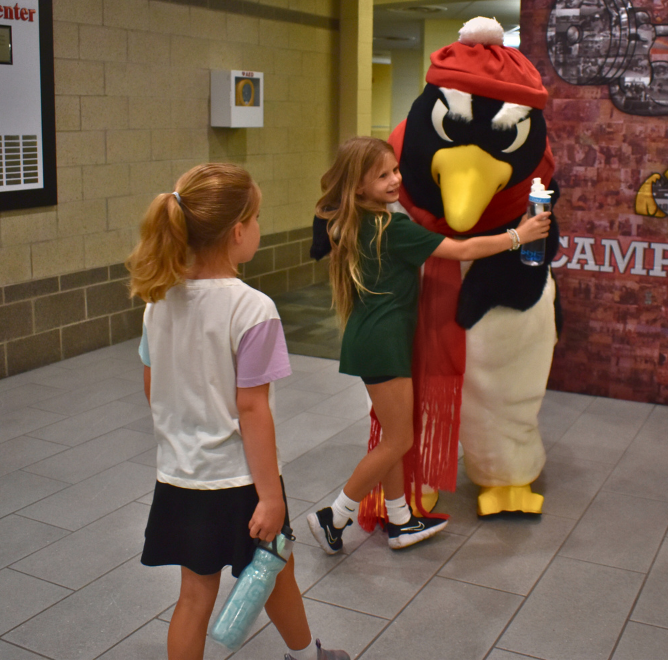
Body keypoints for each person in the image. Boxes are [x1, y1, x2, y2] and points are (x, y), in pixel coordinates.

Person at [127, 163, 348, 660]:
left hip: (181, 475)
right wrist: (270, 497)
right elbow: (252, 409)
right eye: (258, 217)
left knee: (193, 595)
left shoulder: (157, 301)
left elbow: (151, 385)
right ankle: (306, 655)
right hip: (240, 481)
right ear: (237, 232)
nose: (260, 229)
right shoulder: (252, 308)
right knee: (275, 571)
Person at [307, 137, 551, 554]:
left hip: (372, 338)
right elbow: (462, 249)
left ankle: (401, 519)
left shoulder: (351, 221)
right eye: (381, 175)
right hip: (384, 344)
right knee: (399, 439)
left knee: (393, 434)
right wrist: (518, 234)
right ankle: (336, 515)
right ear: (359, 186)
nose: (394, 180)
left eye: (395, 170)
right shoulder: (391, 227)